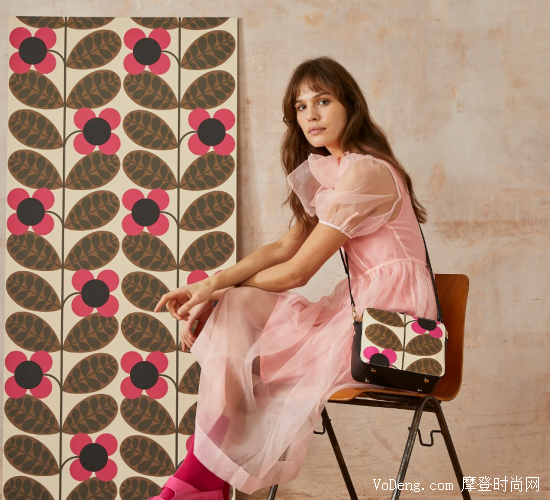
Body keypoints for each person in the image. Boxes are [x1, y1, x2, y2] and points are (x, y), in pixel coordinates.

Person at [151, 56, 438, 499]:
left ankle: (200, 479)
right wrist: (214, 285)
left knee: (244, 335)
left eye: (323, 101)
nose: (311, 116)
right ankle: (204, 478)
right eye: (301, 107)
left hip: (392, 325)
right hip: (360, 314)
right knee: (240, 313)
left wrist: (215, 289)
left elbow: (298, 271)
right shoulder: (336, 172)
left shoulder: (367, 171)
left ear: (350, 105)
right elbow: (284, 248)